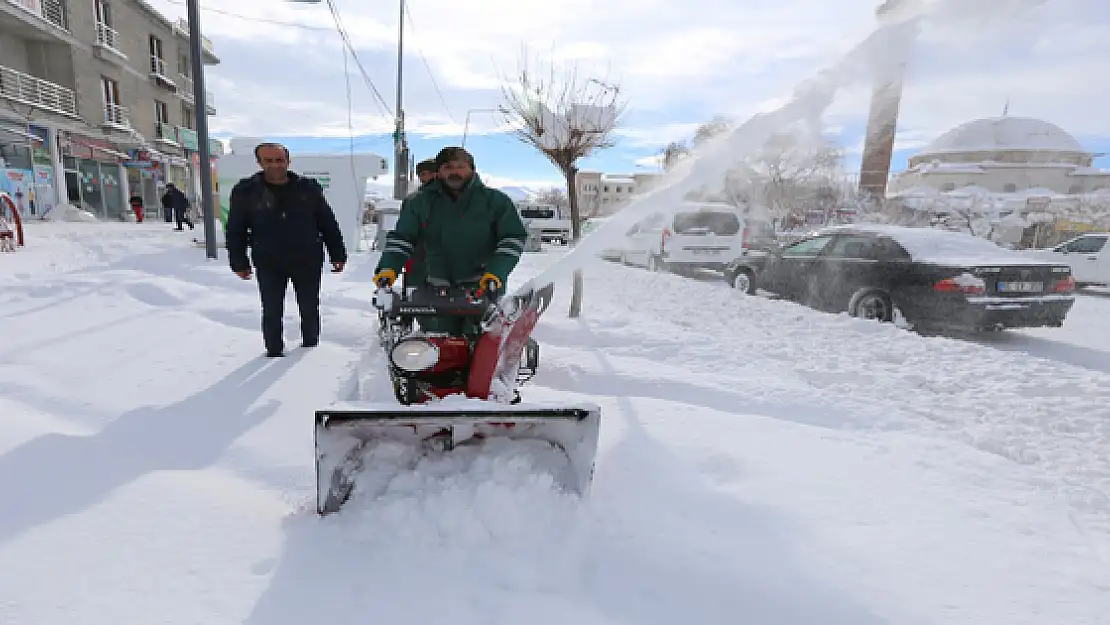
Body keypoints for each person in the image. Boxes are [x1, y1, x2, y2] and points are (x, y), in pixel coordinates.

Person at [373, 146, 529, 336]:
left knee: (481, 349)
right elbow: (402, 239)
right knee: (437, 352)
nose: (455, 172)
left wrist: (496, 272)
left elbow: (512, 238)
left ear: (472, 169)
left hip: (483, 289)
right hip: (434, 289)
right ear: (439, 171)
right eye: (448, 167)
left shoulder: (496, 202)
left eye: (461, 166)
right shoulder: (419, 202)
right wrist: (388, 268)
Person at [225, 142, 348, 357]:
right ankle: (273, 352)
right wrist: (239, 261)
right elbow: (236, 229)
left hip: (307, 258)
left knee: (309, 307)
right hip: (269, 259)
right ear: (259, 163)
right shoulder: (246, 191)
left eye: (279, 160)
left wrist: (337, 253)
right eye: (269, 161)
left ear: (288, 161)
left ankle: (310, 349)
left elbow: (327, 222)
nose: (275, 165)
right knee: (272, 309)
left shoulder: (308, 188)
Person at [400, 158, 439, 288]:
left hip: (420, 258)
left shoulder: (413, 200)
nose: (424, 177)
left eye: (428, 173)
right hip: (421, 257)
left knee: (416, 300)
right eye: (421, 174)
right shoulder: (413, 200)